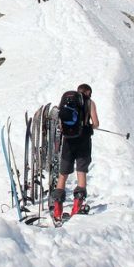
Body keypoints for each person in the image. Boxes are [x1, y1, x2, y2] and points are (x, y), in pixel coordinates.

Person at [51, 83, 99, 221]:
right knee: (81, 172)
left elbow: (60, 123)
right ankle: (76, 208)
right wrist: (88, 126)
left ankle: (57, 211)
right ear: (89, 92)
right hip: (83, 141)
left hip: (68, 142)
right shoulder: (90, 103)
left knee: (63, 175)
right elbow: (96, 123)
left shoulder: (67, 101)